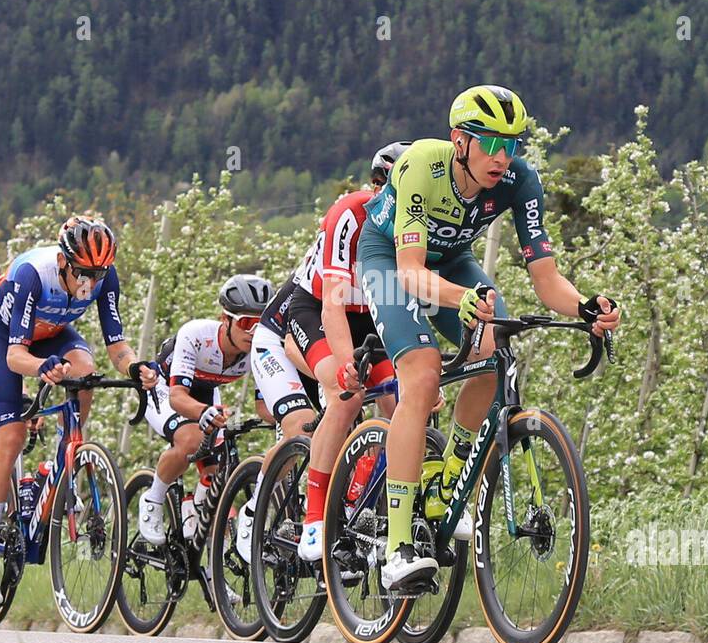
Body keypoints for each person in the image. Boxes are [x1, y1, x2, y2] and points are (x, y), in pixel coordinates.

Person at [359, 85, 621, 589]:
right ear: (459, 141)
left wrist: (586, 307)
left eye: (513, 144)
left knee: (494, 343)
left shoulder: (520, 181)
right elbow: (411, 273)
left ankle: (454, 472)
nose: (503, 156)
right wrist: (460, 299)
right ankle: (396, 547)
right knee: (422, 371)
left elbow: (546, 279)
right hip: (390, 259)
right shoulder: (421, 165)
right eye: (490, 143)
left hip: (452, 260)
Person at [0, 216, 161, 605]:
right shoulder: (32, 275)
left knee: (86, 373)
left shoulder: (106, 278)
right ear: (63, 261)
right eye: (83, 272)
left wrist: (136, 367)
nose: (89, 281)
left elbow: (116, 346)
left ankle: (64, 459)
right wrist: (41, 368)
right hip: (5, 336)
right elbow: (15, 355)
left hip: (53, 332)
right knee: (11, 437)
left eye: (99, 272)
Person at [236, 142, 409, 563]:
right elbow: (331, 306)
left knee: (399, 400)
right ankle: (291, 513)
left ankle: (355, 504)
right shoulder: (349, 215)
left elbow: (408, 307)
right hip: (296, 322)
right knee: (333, 401)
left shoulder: (413, 231)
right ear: (379, 187)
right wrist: (347, 369)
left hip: (360, 318)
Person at [137, 274, 275, 546]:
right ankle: (153, 497)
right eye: (246, 323)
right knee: (191, 439)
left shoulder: (260, 347)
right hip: (165, 389)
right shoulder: (197, 334)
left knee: (218, 474)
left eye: (260, 325)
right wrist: (202, 412)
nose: (252, 333)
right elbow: (178, 397)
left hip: (207, 393)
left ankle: (198, 520)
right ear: (226, 320)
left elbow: (263, 407)